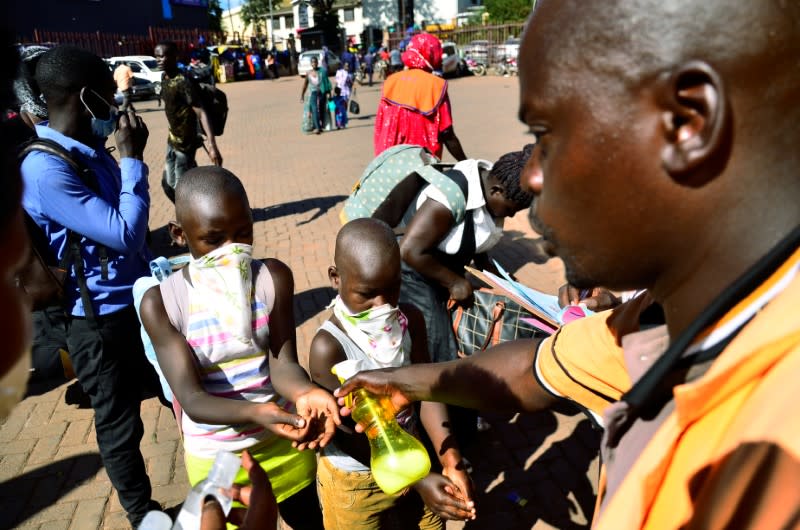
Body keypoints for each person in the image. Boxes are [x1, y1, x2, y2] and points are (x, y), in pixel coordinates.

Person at [337, 1, 800, 528]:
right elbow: (537, 370)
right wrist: (404, 381)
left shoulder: (778, 435)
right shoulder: (655, 320)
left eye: (547, 135)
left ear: (686, 123)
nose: (532, 176)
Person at [140, 166, 339, 530]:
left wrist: (304, 391)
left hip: (285, 441)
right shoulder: (164, 304)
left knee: (309, 519)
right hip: (220, 459)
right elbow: (193, 398)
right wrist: (255, 413)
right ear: (180, 236)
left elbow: (282, 365)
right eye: (213, 240)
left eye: (242, 234)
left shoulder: (271, 278)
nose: (232, 250)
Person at [19, 45, 161, 527]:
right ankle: (144, 515)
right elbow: (125, 232)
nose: (115, 109)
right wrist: (132, 159)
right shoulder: (45, 169)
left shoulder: (86, 149)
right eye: (107, 97)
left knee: (176, 387)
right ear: (85, 99)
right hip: (98, 321)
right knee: (121, 425)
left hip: (139, 301)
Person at [309, 218, 475, 528]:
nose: (383, 306)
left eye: (393, 288)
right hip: (356, 479)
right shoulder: (328, 346)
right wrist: (416, 477)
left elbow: (426, 391)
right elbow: (343, 432)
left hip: (414, 455)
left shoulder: (409, 319)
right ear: (336, 278)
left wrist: (450, 459)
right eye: (367, 294)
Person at [374, 33, 467, 161]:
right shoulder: (436, 85)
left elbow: (380, 127)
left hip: (388, 163)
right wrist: (466, 162)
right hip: (423, 166)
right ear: (431, 53)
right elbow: (447, 133)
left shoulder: (391, 82)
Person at [154, 41, 222, 203]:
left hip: (186, 143)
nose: (159, 60)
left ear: (174, 57)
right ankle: (202, 206)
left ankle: (192, 217)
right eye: (157, 56)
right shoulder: (164, 78)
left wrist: (212, 146)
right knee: (167, 184)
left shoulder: (183, 81)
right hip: (172, 140)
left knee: (179, 187)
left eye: (163, 56)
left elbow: (201, 112)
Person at [300, 56, 331, 135]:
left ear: (317, 63)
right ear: (311, 63)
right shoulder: (308, 73)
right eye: (312, 62)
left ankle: (320, 125)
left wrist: (329, 93)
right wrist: (302, 95)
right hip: (312, 94)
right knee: (314, 110)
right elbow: (305, 85)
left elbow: (327, 83)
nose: (314, 64)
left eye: (315, 62)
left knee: (321, 110)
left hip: (322, 93)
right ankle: (317, 128)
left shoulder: (322, 71)